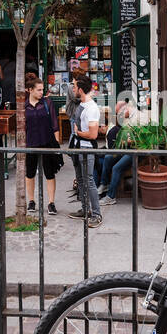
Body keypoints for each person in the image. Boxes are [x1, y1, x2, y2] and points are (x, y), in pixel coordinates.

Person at [23, 75, 62, 214]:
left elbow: (55, 124)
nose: (41, 92)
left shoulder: (47, 103)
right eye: (39, 90)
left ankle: (51, 202)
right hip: (30, 143)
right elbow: (21, 127)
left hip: (47, 142)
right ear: (30, 90)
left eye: (42, 89)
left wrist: (56, 144)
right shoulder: (24, 105)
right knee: (30, 173)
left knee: (49, 173)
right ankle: (31, 200)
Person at [68, 75, 102, 227]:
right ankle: (85, 209)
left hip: (86, 148)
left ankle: (96, 214)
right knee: (81, 180)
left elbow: (93, 134)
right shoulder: (82, 104)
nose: (72, 89)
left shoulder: (92, 108)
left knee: (88, 180)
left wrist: (78, 133)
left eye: (74, 86)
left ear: (80, 90)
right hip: (77, 147)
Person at [96, 101, 136, 206]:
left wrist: (127, 141)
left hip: (135, 150)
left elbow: (138, 140)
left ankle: (111, 197)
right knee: (108, 157)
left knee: (116, 168)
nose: (119, 115)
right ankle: (104, 184)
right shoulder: (126, 118)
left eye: (120, 113)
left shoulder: (137, 118)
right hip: (125, 148)